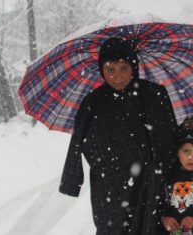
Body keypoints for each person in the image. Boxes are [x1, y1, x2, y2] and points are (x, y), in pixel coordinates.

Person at [59, 37, 177, 235]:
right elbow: (77, 143)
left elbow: (170, 137)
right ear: (101, 70)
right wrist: (72, 180)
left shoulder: (154, 95)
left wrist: (177, 173)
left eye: (124, 68)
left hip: (150, 183)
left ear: (134, 66)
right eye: (110, 70)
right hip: (110, 186)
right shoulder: (92, 103)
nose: (118, 77)